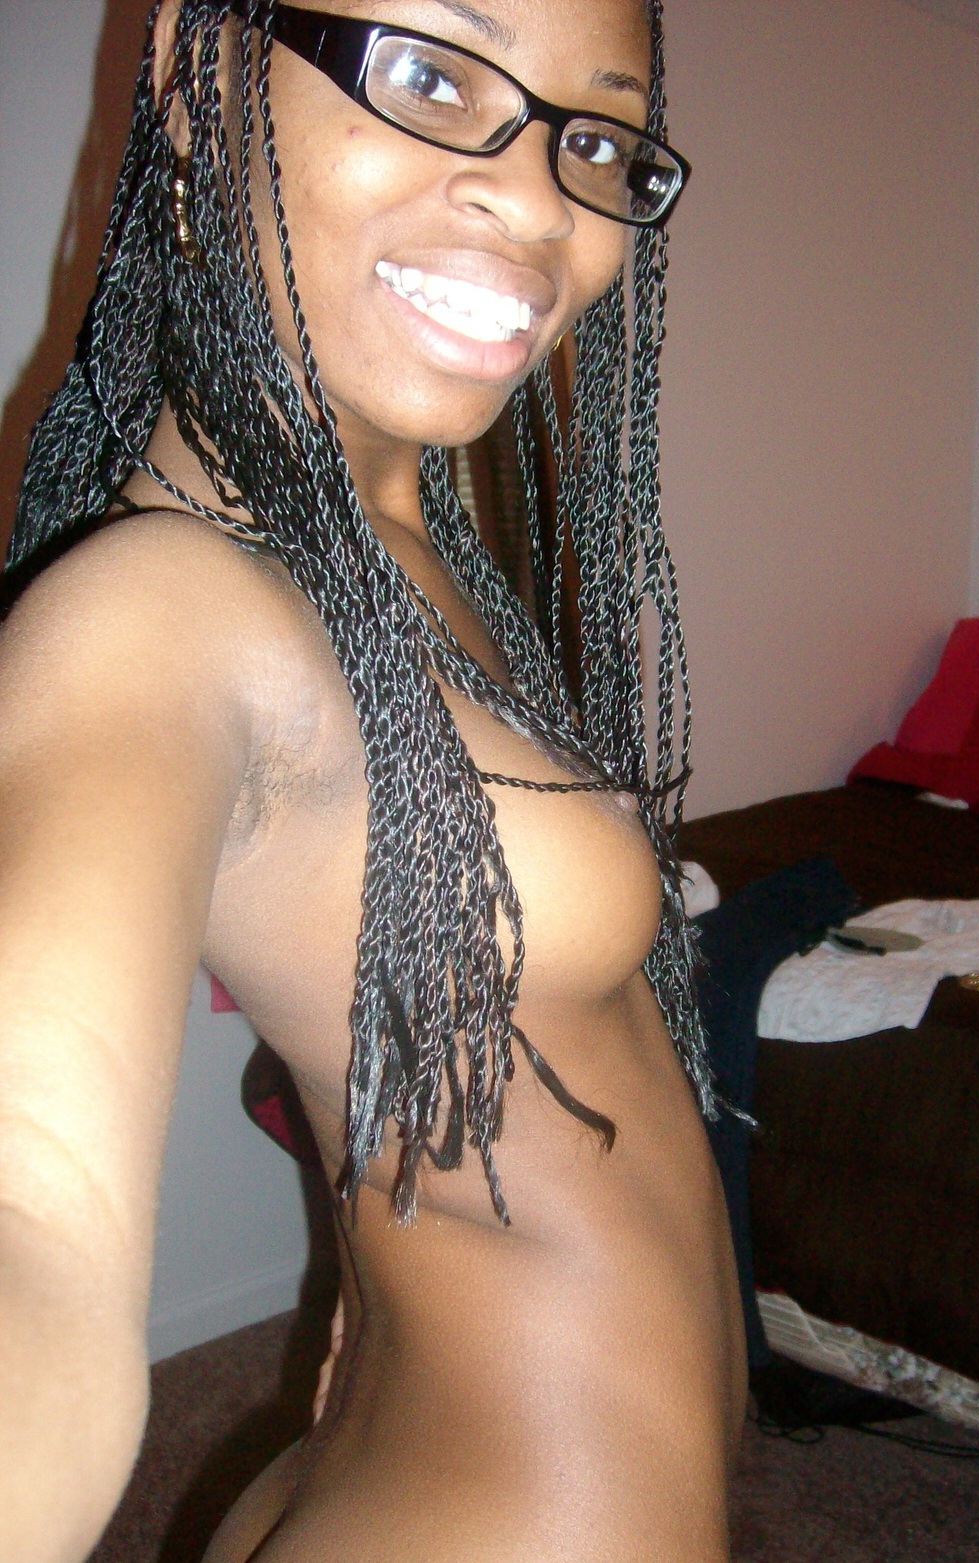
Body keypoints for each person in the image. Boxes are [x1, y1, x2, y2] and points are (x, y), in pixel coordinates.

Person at [0, 1, 747, 1560]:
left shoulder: (397, 541)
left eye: (597, 138)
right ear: (194, 74)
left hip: (417, 1448)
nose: (535, 199)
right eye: (429, 74)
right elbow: (33, 1208)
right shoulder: (162, 609)